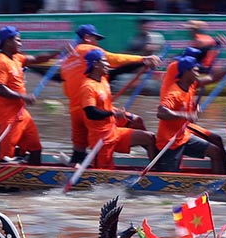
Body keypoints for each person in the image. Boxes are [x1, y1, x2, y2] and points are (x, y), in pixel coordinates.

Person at [60, 24, 160, 165]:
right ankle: (155, 156)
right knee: (135, 121)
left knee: (79, 148)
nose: (97, 43)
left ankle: (75, 165)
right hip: (94, 109)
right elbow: (114, 59)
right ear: (87, 38)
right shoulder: (89, 50)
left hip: (76, 110)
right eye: (95, 39)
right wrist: (142, 59)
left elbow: (66, 90)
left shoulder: (66, 61)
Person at [0, 26, 59, 164]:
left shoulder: (17, 57)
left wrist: (55, 54)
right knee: (5, 158)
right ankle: (3, 182)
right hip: (7, 116)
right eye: (18, 40)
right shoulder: (0, 62)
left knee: (36, 148)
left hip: (21, 114)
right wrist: (23, 97)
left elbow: (36, 58)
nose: (21, 43)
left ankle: (34, 181)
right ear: (8, 41)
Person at [153, 55, 226, 174]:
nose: (198, 73)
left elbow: (212, 77)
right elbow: (161, 112)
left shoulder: (191, 85)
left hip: (184, 136)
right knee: (170, 177)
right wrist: (186, 115)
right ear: (186, 72)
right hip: (170, 142)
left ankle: (219, 184)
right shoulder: (174, 93)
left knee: (215, 151)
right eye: (195, 70)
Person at [80, 49, 156, 170]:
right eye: (104, 61)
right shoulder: (88, 87)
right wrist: (113, 113)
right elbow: (91, 113)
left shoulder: (103, 79)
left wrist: (143, 62)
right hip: (101, 138)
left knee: (149, 138)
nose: (108, 64)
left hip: (113, 131)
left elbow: (121, 70)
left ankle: (156, 170)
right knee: (104, 177)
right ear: (95, 64)